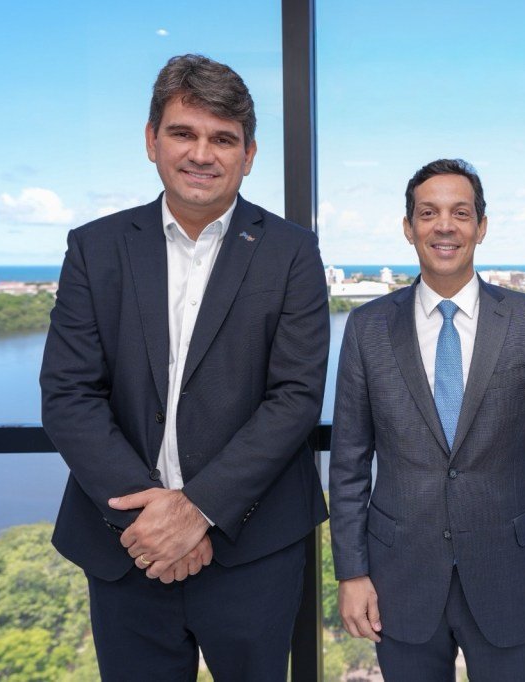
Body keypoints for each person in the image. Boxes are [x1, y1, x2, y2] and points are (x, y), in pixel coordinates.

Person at [39, 54, 329, 680]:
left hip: (253, 551)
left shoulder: (292, 252)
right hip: (127, 547)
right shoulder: (94, 248)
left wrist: (197, 509)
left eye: (223, 139)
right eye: (183, 133)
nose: (202, 154)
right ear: (152, 141)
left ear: (249, 155)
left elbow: (296, 397)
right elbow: (68, 394)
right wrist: (151, 522)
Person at [329, 159, 525, 681]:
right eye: (428, 213)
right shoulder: (366, 328)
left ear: (481, 226)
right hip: (399, 577)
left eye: (460, 213)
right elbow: (349, 465)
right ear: (408, 228)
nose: (444, 226)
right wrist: (351, 572)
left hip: (514, 576)